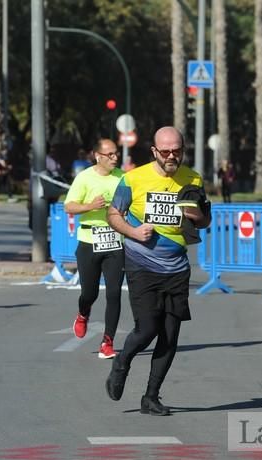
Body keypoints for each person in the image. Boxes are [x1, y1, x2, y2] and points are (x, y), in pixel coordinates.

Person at [105, 126, 211, 415]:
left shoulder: (193, 179)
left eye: (176, 150)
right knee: (147, 328)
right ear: (154, 151)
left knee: (170, 335)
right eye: (165, 151)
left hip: (177, 268)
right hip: (141, 263)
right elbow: (113, 214)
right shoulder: (133, 179)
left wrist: (196, 215)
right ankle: (122, 362)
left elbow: (204, 221)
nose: (171, 156)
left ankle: (150, 397)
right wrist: (133, 231)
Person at [65, 138, 124, 359]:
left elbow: (134, 201)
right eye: (110, 154)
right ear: (97, 156)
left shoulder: (123, 178)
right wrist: (91, 205)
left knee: (114, 293)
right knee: (89, 293)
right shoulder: (84, 178)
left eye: (116, 153)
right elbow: (69, 206)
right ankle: (83, 314)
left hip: (115, 241)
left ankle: (107, 343)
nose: (115, 158)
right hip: (89, 241)